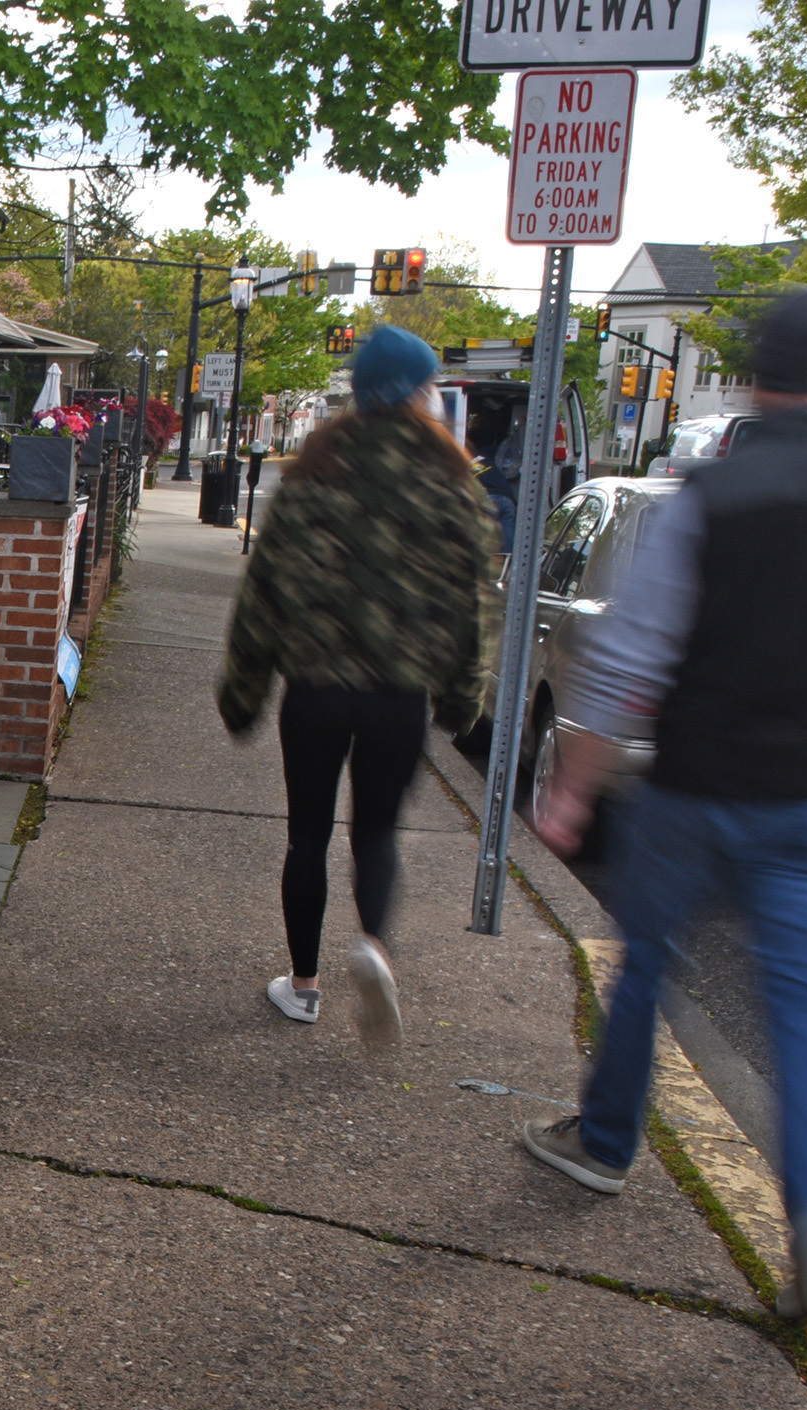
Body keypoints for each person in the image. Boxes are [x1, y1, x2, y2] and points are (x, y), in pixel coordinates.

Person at [523, 288, 807, 1317]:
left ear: (752, 371)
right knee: (803, 1004)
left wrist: (575, 787)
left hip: (694, 786)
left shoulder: (705, 499)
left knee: (648, 970)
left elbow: (633, 653)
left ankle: (605, 1140)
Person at [218, 324, 501, 1040]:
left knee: (306, 834)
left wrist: (243, 691)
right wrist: (464, 697)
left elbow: (265, 593)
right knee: (377, 833)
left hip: (314, 691)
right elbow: (473, 604)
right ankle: (373, 947)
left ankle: (304, 985)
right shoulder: (453, 485)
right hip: (397, 699)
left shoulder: (313, 473)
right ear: (419, 393)